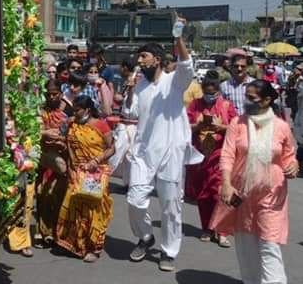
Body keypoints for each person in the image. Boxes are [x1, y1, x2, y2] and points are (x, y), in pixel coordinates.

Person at [127, 21, 201, 273]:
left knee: (170, 207)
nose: (140, 61)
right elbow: (131, 111)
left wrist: (178, 37)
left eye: (144, 56)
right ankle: (146, 237)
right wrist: (128, 92)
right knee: (135, 200)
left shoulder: (174, 81)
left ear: (157, 59)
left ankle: (169, 251)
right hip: (143, 153)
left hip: (170, 152)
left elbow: (186, 65)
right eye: (139, 57)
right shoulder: (140, 84)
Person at [212, 80, 298, 284]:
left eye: (252, 98)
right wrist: (226, 183)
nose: (246, 102)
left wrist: (294, 166)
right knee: (246, 244)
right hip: (241, 194)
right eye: (246, 97)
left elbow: (289, 156)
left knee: (270, 244)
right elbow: (227, 155)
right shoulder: (237, 123)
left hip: (272, 196)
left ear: (267, 100)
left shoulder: (281, 127)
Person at [55, 94, 115, 263]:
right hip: (76, 172)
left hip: (94, 173)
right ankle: (78, 245)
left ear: (87, 110)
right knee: (76, 207)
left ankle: (94, 248)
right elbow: (67, 144)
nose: (74, 112)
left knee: (93, 209)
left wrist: (95, 161)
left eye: (77, 110)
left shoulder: (100, 125)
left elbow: (112, 149)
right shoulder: (72, 124)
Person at [186, 72, 238, 247]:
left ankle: (222, 231)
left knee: (220, 193)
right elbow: (185, 126)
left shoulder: (226, 106)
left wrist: (220, 127)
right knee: (204, 195)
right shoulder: (195, 105)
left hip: (220, 156)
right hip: (200, 157)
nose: (210, 97)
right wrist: (199, 126)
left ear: (218, 91)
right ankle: (207, 228)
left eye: (213, 93)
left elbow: (235, 128)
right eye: (207, 93)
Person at [36, 81, 71, 249]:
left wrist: (63, 140)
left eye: (55, 93)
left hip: (64, 158)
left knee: (60, 196)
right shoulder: (40, 110)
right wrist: (45, 133)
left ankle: (59, 234)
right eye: (49, 94)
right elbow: (31, 131)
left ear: (61, 94)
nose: (51, 97)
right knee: (43, 194)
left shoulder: (69, 110)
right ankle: (45, 233)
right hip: (44, 159)